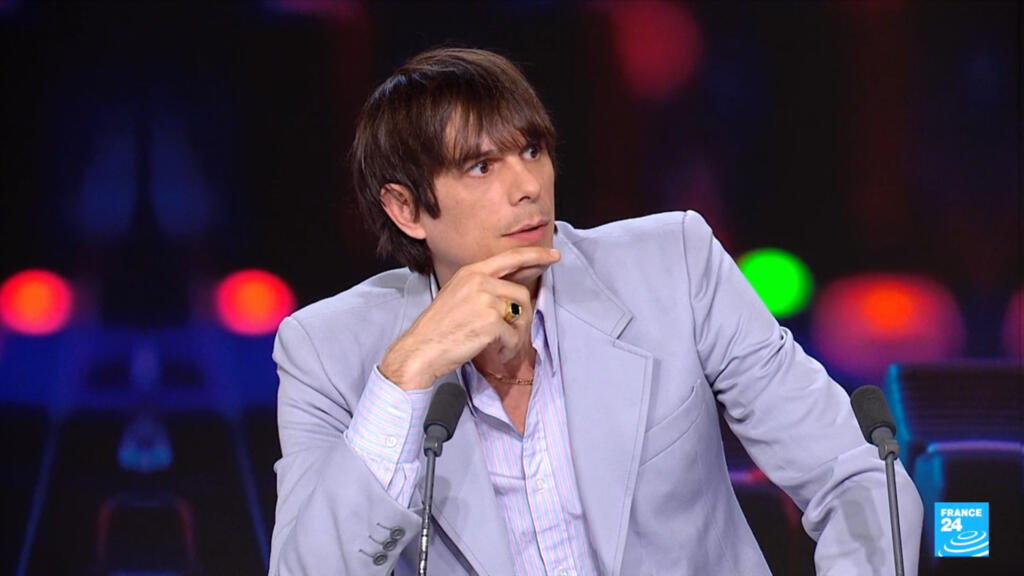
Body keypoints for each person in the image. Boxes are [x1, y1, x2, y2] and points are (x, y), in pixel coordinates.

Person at [269, 47, 923, 575]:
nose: (527, 186)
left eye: (532, 151)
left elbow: (857, 474)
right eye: (480, 167)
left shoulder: (674, 267)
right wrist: (406, 379)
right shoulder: (324, 350)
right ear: (406, 209)